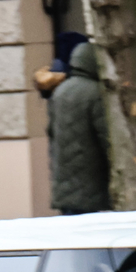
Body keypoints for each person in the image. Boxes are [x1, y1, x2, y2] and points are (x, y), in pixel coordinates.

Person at [49, 39, 110, 214]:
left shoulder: (60, 91)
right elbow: (107, 139)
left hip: (65, 187)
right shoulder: (95, 92)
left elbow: (52, 133)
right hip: (92, 188)